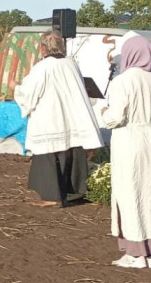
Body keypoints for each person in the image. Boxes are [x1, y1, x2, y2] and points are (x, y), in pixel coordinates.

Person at [99, 35, 151, 269]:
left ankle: (135, 254)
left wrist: (103, 113)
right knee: (150, 193)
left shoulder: (123, 81)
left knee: (129, 194)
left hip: (128, 138)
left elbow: (115, 117)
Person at [15, 32, 103, 208]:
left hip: (52, 118)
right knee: (71, 154)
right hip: (72, 118)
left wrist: (15, 88)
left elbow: (29, 94)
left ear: (43, 48)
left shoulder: (43, 67)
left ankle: (52, 196)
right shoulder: (71, 64)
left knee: (48, 157)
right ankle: (73, 192)